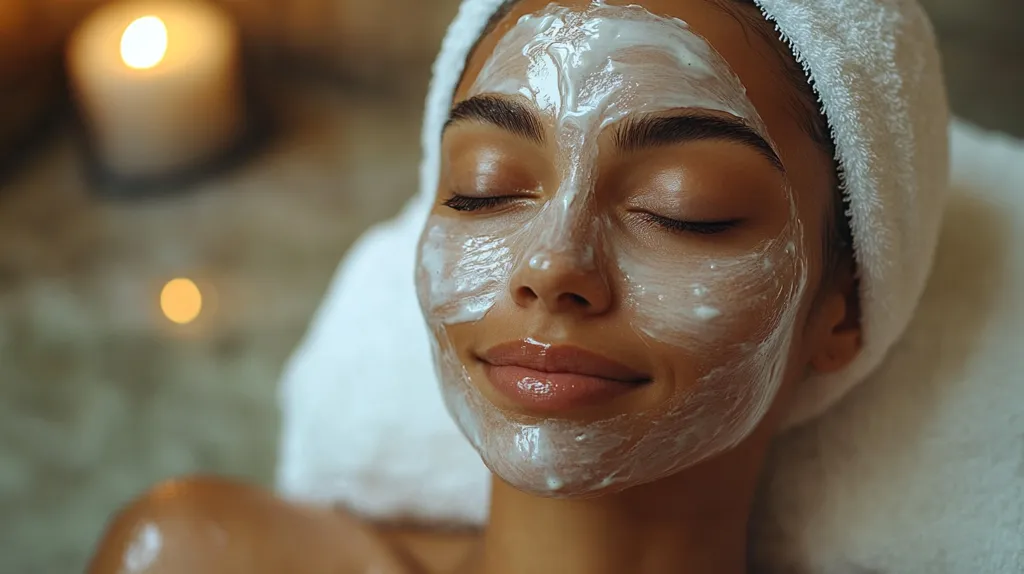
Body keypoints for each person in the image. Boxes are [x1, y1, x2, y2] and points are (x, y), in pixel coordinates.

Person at [87, 0, 945, 572]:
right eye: (487, 189)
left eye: (684, 209)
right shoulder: (194, 556)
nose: (550, 265)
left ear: (842, 311)